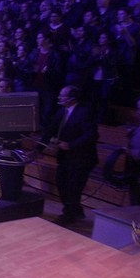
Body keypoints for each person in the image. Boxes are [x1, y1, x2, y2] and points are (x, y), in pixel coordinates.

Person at [40, 85, 99, 225]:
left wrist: (71, 145)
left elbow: (92, 135)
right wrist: (38, 148)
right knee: (61, 183)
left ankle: (68, 216)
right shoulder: (62, 111)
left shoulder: (85, 112)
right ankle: (76, 210)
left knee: (73, 188)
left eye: (63, 95)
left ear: (72, 98)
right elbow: (50, 131)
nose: (59, 97)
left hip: (81, 158)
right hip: (65, 157)